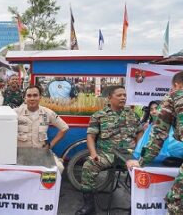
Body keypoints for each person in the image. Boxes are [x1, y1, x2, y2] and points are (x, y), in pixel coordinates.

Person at [74, 86, 141, 215]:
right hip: (107, 155)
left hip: (130, 156)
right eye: (119, 95)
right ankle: (89, 206)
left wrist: (138, 150)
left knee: (143, 171)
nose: (123, 98)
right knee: (89, 165)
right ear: (110, 98)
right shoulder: (99, 115)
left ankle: (137, 205)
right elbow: (91, 136)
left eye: (124, 95)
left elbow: (139, 132)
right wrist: (93, 154)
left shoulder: (132, 115)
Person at [127, 72, 183, 213]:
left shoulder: (174, 96)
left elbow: (159, 134)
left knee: (176, 202)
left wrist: (142, 161)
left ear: (176, 85)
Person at [14, 85, 68, 168]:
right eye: (29, 96)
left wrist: (50, 145)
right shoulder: (15, 113)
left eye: (35, 95)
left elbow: (64, 128)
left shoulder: (47, 113)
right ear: (25, 98)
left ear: (40, 97)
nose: (32, 98)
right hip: (19, 154)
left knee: (59, 167)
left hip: (40, 153)